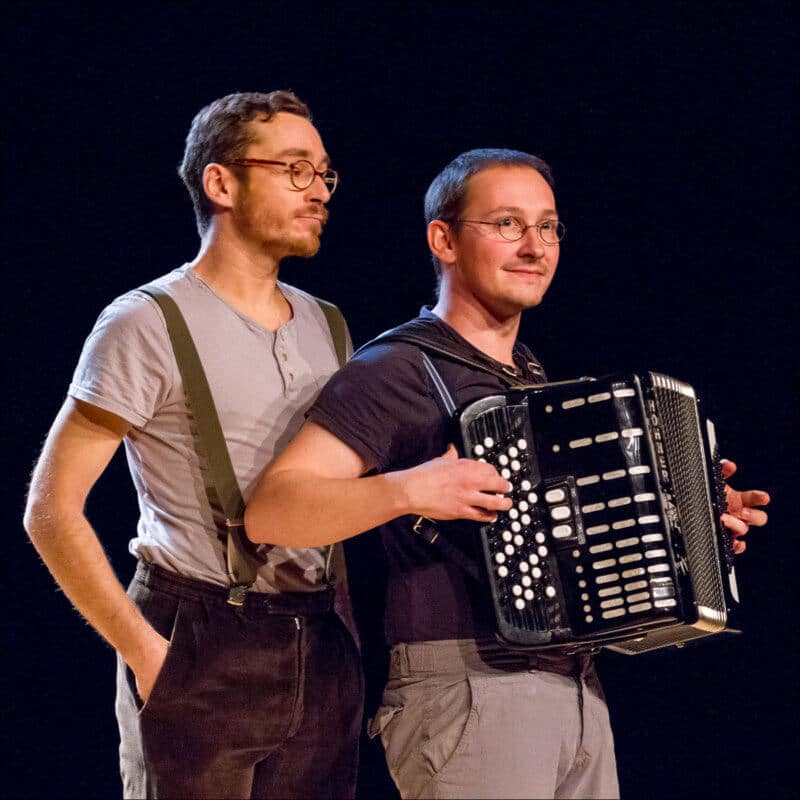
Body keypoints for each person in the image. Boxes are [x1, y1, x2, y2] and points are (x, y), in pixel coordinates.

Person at [244, 148, 771, 799]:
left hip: (575, 692)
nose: (535, 246)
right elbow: (273, 510)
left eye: (548, 227)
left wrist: (689, 519)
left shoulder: (528, 377)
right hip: (469, 693)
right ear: (444, 239)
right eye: (507, 225)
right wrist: (409, 490)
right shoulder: (397, 369)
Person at [23, 91, 363, 800]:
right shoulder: (144, 323)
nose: (319, 192)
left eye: (324, 174)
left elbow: (332, 501)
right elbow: (51, 509)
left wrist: (349, 642)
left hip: (318, 642)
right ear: (221, 182)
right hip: (201, 638)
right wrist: (148, 654)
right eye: (296, 170)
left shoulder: (327, 325)